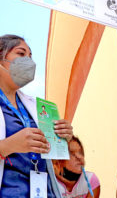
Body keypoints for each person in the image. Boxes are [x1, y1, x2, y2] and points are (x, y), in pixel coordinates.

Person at [0, 34, 73, 197]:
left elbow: (51, 155)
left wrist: (62, 138)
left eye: (30, 56)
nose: (29, 61)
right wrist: (6, 146)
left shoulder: (38, 106)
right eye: (21, 53)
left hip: (44, 191)